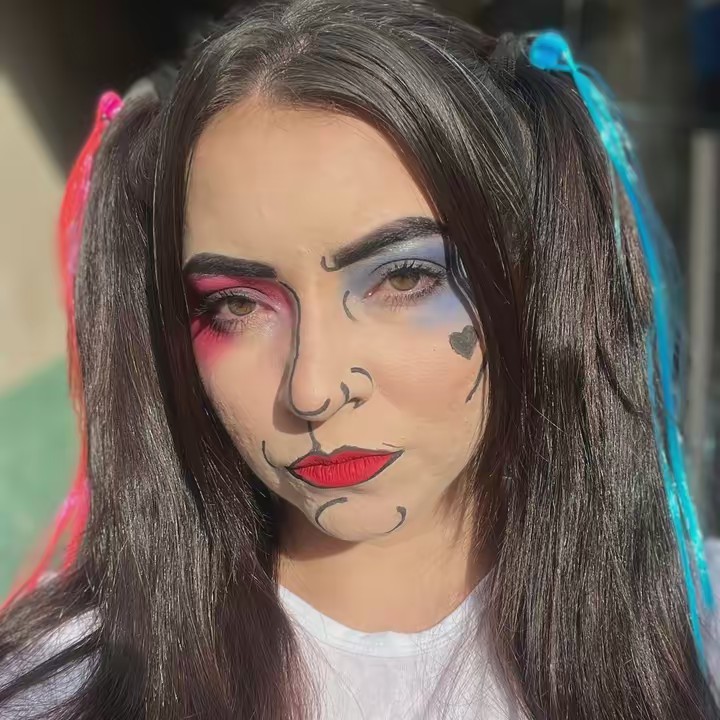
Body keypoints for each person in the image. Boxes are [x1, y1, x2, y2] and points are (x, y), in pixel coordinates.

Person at [1, 1, 719, 717]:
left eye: (403, 278)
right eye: (237, 305)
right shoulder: (61, 695)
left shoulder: (699, 639)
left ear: (535, 276)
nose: (313, 390)